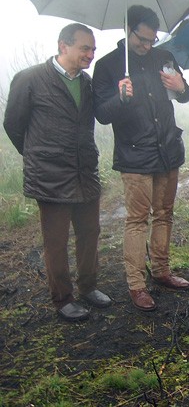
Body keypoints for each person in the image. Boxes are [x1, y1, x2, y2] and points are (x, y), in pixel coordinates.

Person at [4, 23, 112, 322]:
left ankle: (89, 287)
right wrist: (39, 156)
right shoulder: (30, 79)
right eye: (84, 48)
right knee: (56, 240)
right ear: (63, 46)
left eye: (93, 49)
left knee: (90, 232)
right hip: (49, 175)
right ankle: (63, 298)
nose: (90, 54)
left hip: (84, 170)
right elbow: (13, 125)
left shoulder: (88, 83)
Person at [93, 5, 189, 312]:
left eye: (152, 39)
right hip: (135, 155)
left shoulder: (164, 57)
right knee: (137, 219)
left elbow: (184, 95)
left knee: (165, 213)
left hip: (168, 149)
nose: (147, 45)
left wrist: (182, 87)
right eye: (142, 39)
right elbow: (101, 114)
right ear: (128, 30)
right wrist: (119, 99)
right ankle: (136, 285)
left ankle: (162, 270)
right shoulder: (109, 66)